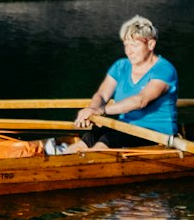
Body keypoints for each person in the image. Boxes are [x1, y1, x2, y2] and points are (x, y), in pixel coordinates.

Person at [54, 15, 178, 153]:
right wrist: (91, 111)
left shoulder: (164, 70)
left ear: (151, 44)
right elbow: (101, 95)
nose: (129, 51)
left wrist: (101, 111)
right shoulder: (121, 66)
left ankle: (86, 163)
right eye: (126, 45)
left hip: (156, 135)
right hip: (124, 129)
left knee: (109, 139)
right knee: (89, 137)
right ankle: (59, 159)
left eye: (134, 45)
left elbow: (141, 101)